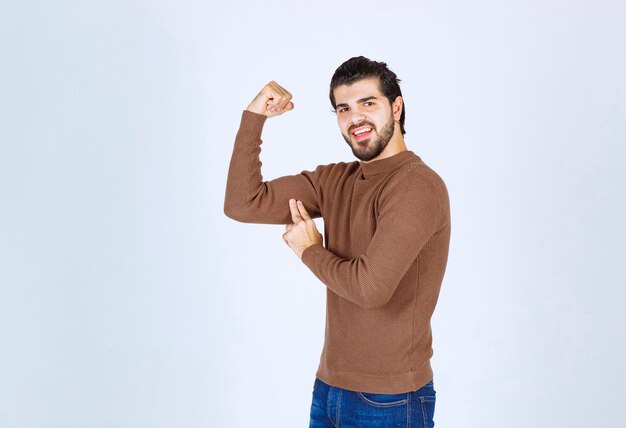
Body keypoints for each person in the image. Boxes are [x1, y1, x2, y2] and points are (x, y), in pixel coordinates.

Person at [224, 56, 450, 427]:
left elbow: (370, 288)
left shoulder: (417, 185)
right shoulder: (334, 181)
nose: (355, 118)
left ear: (396, 106)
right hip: (329, 389)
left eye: (368, 103)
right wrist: (254, 118)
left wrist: (310, 250)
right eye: (343, 108)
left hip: (390, 399)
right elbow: (242, 204)